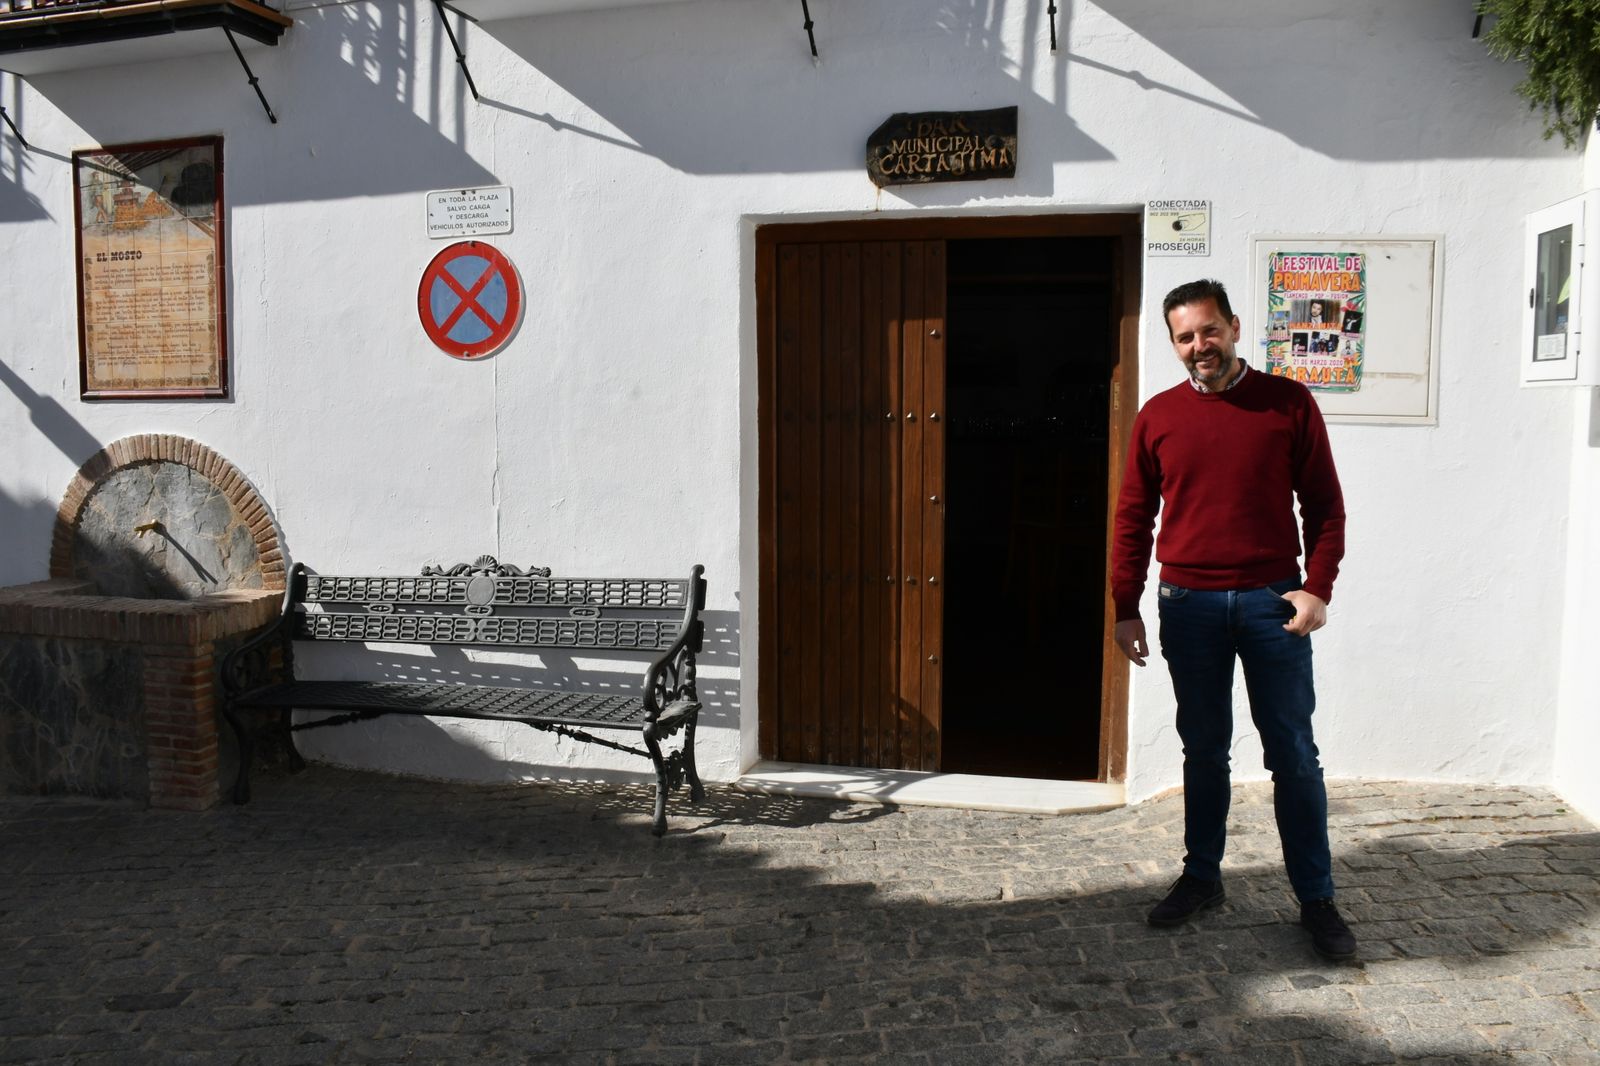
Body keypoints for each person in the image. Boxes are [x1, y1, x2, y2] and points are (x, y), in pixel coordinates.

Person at [1110, 278, 1354, 961]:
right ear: (1174, 344)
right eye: (1185, 337)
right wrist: (1125, 605)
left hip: (1271, 603)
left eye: (1208, 331)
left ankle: (1317, 899)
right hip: (1187, 605)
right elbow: (1133, 517)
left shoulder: (1287, 403)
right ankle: (1202, 877)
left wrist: (1315, 589)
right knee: (1203, 749)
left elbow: (1326, 509)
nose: (1199, 346)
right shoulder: (1158, 416)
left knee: (1293, 755)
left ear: (1235, 327)